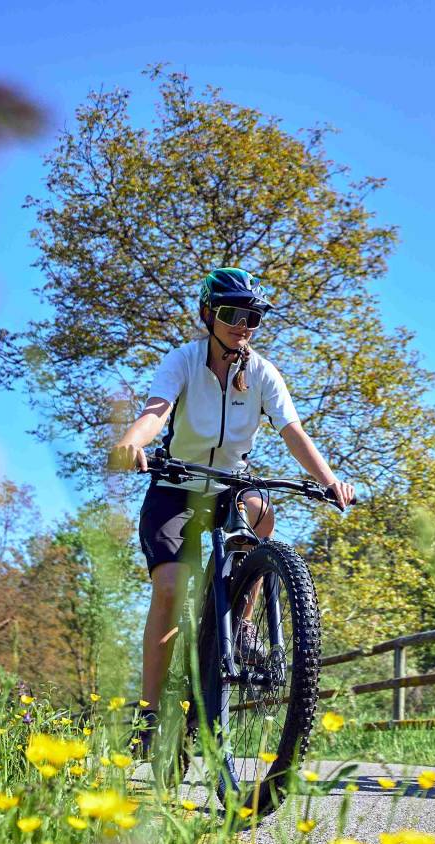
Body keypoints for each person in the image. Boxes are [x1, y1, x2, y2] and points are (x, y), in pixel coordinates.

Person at [107, 267, 355, 751]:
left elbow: (293, 432)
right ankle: (149, 714)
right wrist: (131, 442)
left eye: (252, 317)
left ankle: (239, 624)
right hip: (176, 486)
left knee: (262, 515)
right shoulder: (183, 360)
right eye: (231, 313)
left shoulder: (262, 373)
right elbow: (155, 411)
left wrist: (330, 481)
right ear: (208, 315)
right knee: (171, 589)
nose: (243, 325)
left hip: (229, 486)